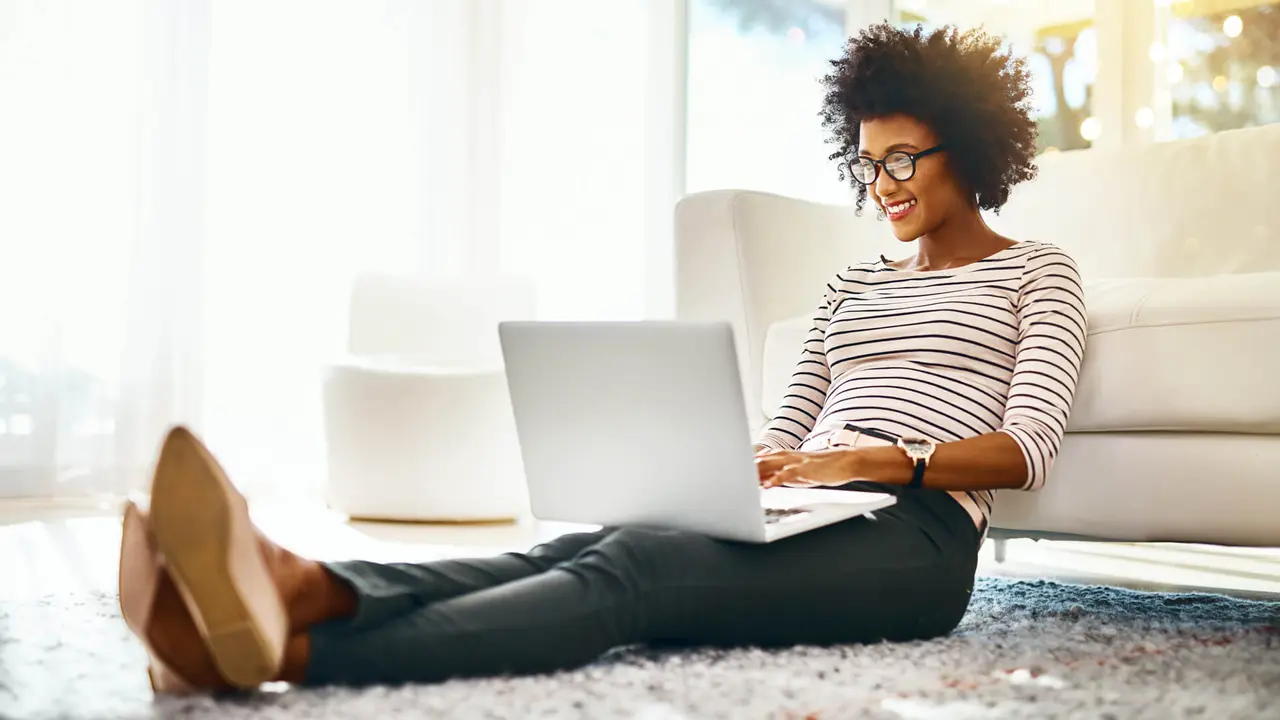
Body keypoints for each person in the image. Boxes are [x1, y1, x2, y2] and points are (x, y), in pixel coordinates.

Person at [117, 22, 1087, 693]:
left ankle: (290, 653)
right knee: (583, 545)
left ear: (962, 148)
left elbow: (1028, 447)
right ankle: (303, 585)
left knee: (634, 575)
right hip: (809, 505)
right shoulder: (848, 288)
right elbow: (785, 433)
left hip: (914, 544)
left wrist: (880, 462)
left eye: (903, 160)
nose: (883, 185)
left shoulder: (1037, 275)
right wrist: (727, 472)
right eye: (868, 164)